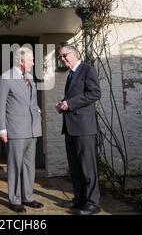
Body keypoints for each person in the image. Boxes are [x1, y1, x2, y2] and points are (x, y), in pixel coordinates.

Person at [0, 47, 44, 213]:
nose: (33, 62)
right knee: (15, 165)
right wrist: (2, 129)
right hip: (15, 129)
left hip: (32, 129)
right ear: (21, 61)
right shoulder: (6, 78)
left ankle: (28, 197)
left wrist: (38, 112)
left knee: (29, 166)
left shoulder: (30, 77)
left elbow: (33, 102)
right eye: (31, 59)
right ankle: (14, 200)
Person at [55, 45, 102, 215]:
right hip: (70, 128)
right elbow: (74, 97)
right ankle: (79, 199)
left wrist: (71, 103)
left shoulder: (87, 70)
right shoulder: (71, 74)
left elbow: (95, 93)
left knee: (88, 167)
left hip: (84, 128)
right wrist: (63, 104)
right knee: (75, 167)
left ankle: (93, 203)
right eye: (60, 57)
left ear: (74, 54)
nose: (62, 59)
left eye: (64, 56)